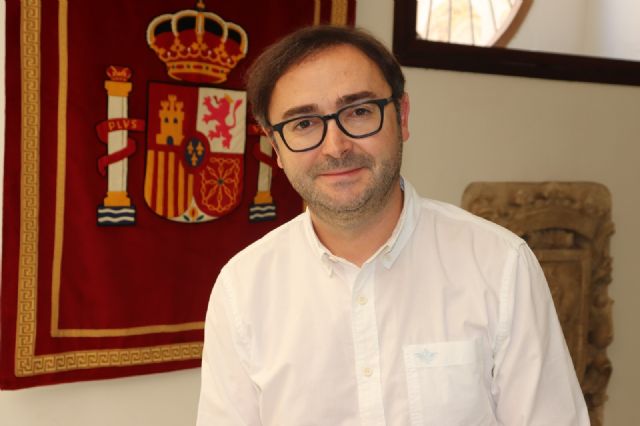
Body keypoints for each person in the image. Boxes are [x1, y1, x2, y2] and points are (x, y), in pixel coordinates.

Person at [196, 25, 589, 425]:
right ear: (275, 147)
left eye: (359, 112)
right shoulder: (242, 289)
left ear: (401, 116)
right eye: (304, 124)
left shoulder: (500, 264)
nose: (336, 147)